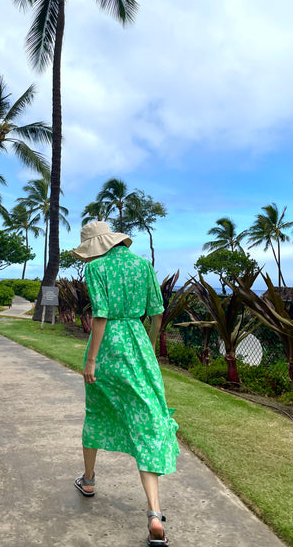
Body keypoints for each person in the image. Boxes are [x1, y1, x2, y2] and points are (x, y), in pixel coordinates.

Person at [72, 221, 179, 547]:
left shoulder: (96, 268)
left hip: (107, 350)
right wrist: (148, 343)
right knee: (145, 421)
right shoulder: (143, 264)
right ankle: (154, 514)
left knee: (97, 412)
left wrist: (91, 361)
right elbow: (157, 313)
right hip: (137, 344)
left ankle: (88, 480)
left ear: (95, 247)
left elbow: (100, 316)